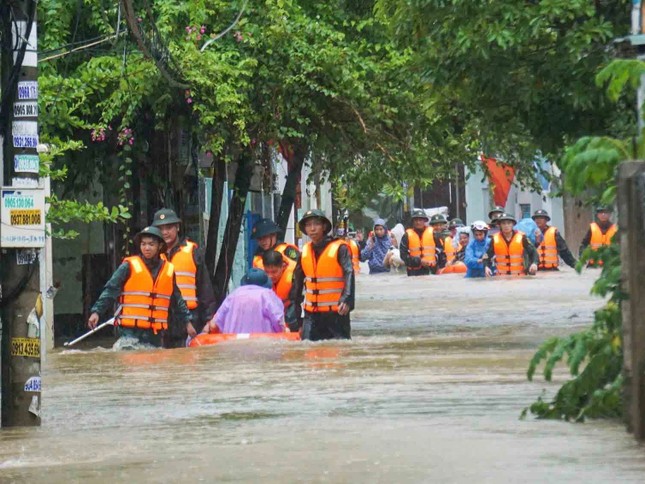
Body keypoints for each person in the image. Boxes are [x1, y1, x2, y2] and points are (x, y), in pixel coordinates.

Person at [87, 227, 192, 348]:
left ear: (159, 246)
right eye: (143, 244)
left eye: (151, 244)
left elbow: (177, 299)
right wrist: (96, 311)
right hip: (130, 331)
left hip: (155, 333)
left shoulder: (168, 270)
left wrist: (187, 322)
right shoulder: (128, 266)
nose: (147, 248)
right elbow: (111, 289)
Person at [151, 208, 216, 346]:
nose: (165, 232)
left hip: (190, 317)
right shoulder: (152, 255)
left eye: (169, 227)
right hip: (161, 318)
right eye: (160, 228)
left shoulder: (192, 251)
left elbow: (205, 289)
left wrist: (209, 320)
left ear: (177, 227)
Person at [289, 209, 354, 340]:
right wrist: (297, 320)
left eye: (316, 224)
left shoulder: (340, 248)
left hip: (336, 313)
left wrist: (347, 299)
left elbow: (349, 272)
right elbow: (296, 287)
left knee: (339, 352)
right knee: (308, 351)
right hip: (311, 315)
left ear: (324, 226)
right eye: (308, 225)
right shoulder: (305, 252)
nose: (312, 229)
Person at [201, 268, 285, 334]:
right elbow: (279, 321)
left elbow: (214, 325)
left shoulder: (233, 295)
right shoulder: (268, 295)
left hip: (233, 346)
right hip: (262, 346)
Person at [400, 209, 445, 276]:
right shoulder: (406, 236)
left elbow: (441, 252)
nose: (418, 222)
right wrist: (419, 261)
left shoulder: (434, 233)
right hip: (413, 272)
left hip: (431, 270)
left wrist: (437, 261)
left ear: (425, 221)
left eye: (420, 220)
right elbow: (403, 255)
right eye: (416, 220)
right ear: (413, 222)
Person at [262, 250, 298, 331]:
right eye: (267, 272)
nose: (270, 276)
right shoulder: (260, 279)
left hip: (292, 318)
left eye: (274, 272)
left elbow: (297, 303)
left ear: (283, 266)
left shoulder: (294, 278)